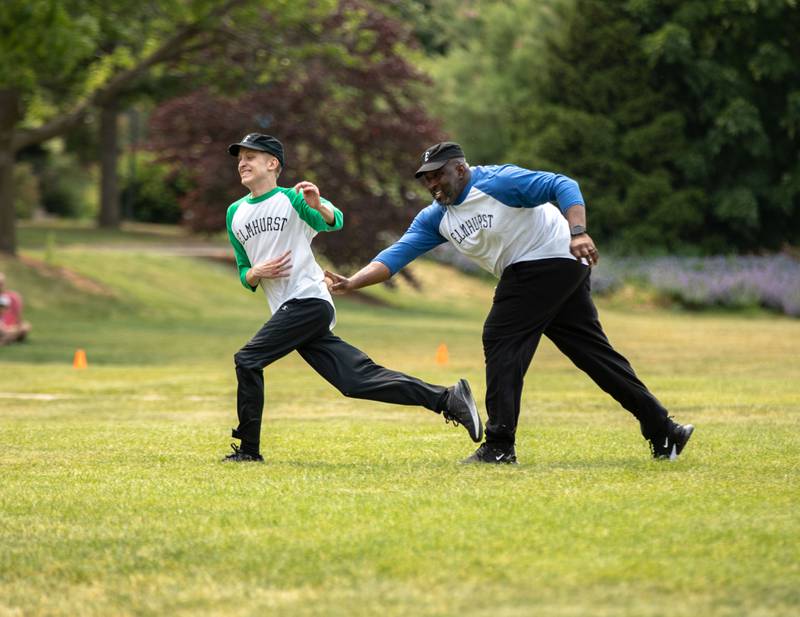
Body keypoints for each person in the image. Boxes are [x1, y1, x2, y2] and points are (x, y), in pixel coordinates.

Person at [326, 141, 694, 464]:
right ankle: (664, 430)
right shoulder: (436, 218)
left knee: (500, 337)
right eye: (427, 179)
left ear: (460, 168)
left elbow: (562, 184)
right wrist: (353, 281)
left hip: (548, 258)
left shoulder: (497, 182)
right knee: (594, 356)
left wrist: (578, 231)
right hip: (554, 271)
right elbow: (395, 256)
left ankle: (499, 445)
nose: (433, 185)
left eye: (438, 175)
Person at [221, 133, 482, 462]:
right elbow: (244, 272)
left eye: (251, 157)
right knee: (355, 380)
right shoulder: (235, 213)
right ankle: (448, 399)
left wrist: (319, 206)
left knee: (248, 359)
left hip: (308, 301)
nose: (242, 163)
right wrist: (255, 273)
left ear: (272, 164)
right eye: (240, 158)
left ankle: (248, 451)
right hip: (287, 310)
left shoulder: (293, 198)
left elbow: (333, 219)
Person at [0, 272, 32, 345]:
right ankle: (7, 339)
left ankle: (6, 338)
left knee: (26, 326)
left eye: (1, 283)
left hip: (9, 327)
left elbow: (18, 317)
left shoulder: (12, 296)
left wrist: (18, 326)